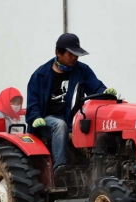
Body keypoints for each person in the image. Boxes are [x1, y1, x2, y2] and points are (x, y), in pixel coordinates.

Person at [26, 33, 117, 174]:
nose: (75, 57)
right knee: (59, 125)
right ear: (58, 52)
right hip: (47, 120)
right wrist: (36, 117)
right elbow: (33, 104)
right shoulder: (40, 75)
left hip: (73, 120)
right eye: (71, 54)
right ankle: (61, 169)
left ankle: (98, 170)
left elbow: (96, 88)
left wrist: (106, 92)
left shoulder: (83, 71)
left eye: (77, 54)